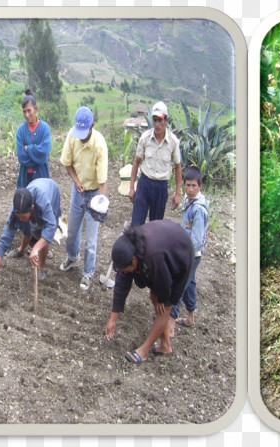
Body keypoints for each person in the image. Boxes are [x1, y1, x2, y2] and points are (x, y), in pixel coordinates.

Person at [105, 220, 194, 363]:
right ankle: (165, 345)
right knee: (156, 299)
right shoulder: (129, 250)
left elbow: (165, 285)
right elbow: (122, 284)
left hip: (181, 257)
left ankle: (144, 351)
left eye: (124, 269)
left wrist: (161, 298)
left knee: (164, 307)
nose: (123, 272)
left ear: (134, 260)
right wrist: (112, 319)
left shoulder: (153, 256)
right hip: (165, 253)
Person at [58, 106, 108, 291]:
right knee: (72, 231)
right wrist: (77, 181)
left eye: (83, 132)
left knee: (91, 240)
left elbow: (103, 182)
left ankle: (88, 273)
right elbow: (67, 164)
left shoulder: (100, 144)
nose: (80, 136)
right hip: (78, 190)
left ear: (92, 126)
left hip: (94, 192)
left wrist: (101, 205)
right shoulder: (72, 136)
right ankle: (72, 257)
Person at [0, 178, 62, 292]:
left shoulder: (43, 203)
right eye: (18, 217)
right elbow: (3, 241)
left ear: (31, 208)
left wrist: (35, 248)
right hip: (34, 195)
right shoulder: (16, 212)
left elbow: (50, 227)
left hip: (51, 191)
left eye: (23, 216)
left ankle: (41, 268)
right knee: (27, 225)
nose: (20, 220)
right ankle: (21, 250)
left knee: (41, 232)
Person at [128, 101, 182, 226]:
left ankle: (151, 246)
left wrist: (178, 194)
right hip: (144, 184)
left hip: (161, 187)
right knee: (136, 225)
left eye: (160, 120)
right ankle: (135, 246)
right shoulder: (145, 138)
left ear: (166, 121)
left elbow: (178, 167)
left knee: (155, 227)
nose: (157, 124)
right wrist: (131, 188)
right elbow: (136, 162)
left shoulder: (173, 142)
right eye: (155, 120)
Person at [170, 166, 209, 329]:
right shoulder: (188, 201)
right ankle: (191, 317)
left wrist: (184, 255)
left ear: (200, 186)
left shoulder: (198, 209)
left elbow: (197, 240)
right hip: (188, 252)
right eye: (187, 185)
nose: (190, 189)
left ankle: (169, 326)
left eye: (194, 186)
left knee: (178, 286)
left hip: (192, 254)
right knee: (190, 283)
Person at [16, 88, 52, 188]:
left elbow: (44, 153)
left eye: (29, 111)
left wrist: (28, 148)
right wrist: (37, 155)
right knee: (23, 202)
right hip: (25, 178)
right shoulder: (20, 130)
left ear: (35, 109)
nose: (26, 115)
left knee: (41, 201)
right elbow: (21, 157)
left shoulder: (44, 128)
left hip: (41, 176)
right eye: (24, 112)